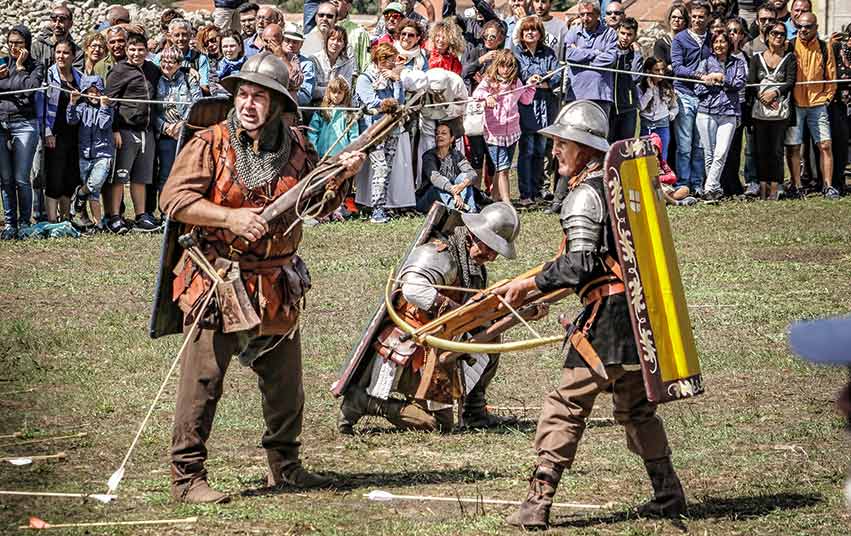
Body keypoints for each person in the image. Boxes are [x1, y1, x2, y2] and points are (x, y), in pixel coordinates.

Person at [160, 51, 365, 503]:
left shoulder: (298, 147)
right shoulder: (211, 142)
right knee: (204, 381)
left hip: (276, 283)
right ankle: (187, 477)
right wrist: (229, 219)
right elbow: (173, 201)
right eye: (243, 95)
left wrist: (342, 181)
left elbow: (316, 207)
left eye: (258, 97)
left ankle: (285, 467)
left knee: (285, 386)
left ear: (276, 105)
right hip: (218, 277)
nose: (248, 104)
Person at [498, 101, 686, 530]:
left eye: (562, 144)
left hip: (608, 324)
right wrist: (550, 293)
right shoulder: (620, 188)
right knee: (638, 412)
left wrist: (528, 285)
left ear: (583, 149)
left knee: (565, 407)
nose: (555, 152)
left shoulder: (586, 193)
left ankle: (535, 505)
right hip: (640, 321)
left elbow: (582, 264)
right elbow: (600, 265)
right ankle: (669, 494)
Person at [337, 202, 520, 433]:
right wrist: (455, 310)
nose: (492, 257)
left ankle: (473, 411)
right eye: (490, 247)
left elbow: (477, 313)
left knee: (490, 339)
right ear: (475, 235)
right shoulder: (438, 253)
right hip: (412, 342)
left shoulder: (473, 266)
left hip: (441, 345)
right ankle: (363, 402)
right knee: (433, 425)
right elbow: (412, 289)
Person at [104, 32, 161, 234]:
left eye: (141, 50)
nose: (137, 53)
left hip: (147, 131)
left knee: (141, 177)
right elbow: (108, 102)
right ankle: (114, 217)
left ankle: (141, 215)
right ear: (127, 50)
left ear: (147, 51)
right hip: (125, 131)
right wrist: (114, 130)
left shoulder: (153, 69)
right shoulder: (119, 71)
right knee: (119, 176)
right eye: (133, 49)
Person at [785, 12, 839, 199]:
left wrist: (827, 98)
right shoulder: (790, 45)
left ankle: (828, 186)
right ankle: (797, 185)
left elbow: (831, 77)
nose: (803, 30)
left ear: (816, 27)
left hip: (818, 104)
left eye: (807, 26)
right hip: (796, 103)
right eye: (799, 26)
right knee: (793, 146)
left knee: (825, 145)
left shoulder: (824, 47)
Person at [472, 49, 536, 203]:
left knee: (500, 169)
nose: (505, 70)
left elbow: (526, 100)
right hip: (494, 133)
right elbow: (476, 93)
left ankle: (495, 199)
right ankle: (507, 203)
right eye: (502, 66)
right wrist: (487, 97)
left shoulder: (516, 82)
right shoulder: (489, 81)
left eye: (509, 66)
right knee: (503, 169)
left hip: (513, 132)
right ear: (497, 66)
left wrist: (531, 86)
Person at [0, 25, 43, 240]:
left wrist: (18, 68)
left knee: (21, 178)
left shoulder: (35, 66)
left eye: (19, 43)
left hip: (25, 124)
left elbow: (29, 90)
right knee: (5, 178)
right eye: (11, 42)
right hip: (1, 123)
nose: (14, 47)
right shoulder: (1, 63)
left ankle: (25, 222)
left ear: (27, 43)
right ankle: (10, 224)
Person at [355, 43, 406, 223]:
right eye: (391, 59)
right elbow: (372, 102)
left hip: (392, 128)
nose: (393, 63)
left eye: (394, 59)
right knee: (381, 167)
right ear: (380, 60)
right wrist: (389, 104)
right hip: (374, 130)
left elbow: (400, 101)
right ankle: (376, 209)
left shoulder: (393, 78)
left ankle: (381, 205)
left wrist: (398, 81)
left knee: (387, 168)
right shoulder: (365, 78)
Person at [694, 30, 746, 202]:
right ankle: (714, 190)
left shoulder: (737, 63)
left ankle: (708, 188)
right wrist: (709, 82)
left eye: (722, 42)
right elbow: (698, 88)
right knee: (709, 154)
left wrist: (721, 78)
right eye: (716, 42)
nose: (719, 45)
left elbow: (739, 83)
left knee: (721, 152)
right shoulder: (705, 63)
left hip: (729, 112)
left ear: (729, 44)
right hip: (706, 111)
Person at [513, 16, 560, 206]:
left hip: (545, 107)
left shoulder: (548, 52)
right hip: (526, 107)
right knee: (527, 150)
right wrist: (533, 82)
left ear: (540, 33)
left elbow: (555, 76)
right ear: (521, 33)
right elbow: (518, 76)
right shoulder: (517, 53)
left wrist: (542, 83)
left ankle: (538, 190)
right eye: (526, 30)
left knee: (541, 150)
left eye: (534, 30)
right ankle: (526, 194)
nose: (530, 33)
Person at [748, 21, 796, 200]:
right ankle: (762, 187)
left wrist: (774, 94)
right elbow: (751, 83)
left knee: (776, 150)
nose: (778, 37)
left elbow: (790, 81)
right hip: (760, 111)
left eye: (782, 34)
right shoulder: (756, 58)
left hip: (780, 112)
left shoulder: (790, 58)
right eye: (774, 33)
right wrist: (763, 98)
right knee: (761, 150)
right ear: (767, 36)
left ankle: (775, 187)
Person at [671, 0, 711, 196]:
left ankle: (697, 183)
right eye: (694, 16)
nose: (697, 20)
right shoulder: (680, 39)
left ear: (708, 18)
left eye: (701, 16)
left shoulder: (712, 39)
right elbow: (677, 67)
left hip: (705, 97)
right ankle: (683, 183)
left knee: (700, 144)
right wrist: (700, 76)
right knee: (685, 144)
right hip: (684, 95)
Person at [41, 40, 82, 223]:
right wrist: (47, 132)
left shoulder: (80, 77)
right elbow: (42, 106)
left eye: (65, 53)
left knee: (70, 177)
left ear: (73, 56)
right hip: (55, 135)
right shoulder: (48, 76)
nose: (61, 56)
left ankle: (65, 219)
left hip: (75, 134)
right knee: (55, 177)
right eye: (58, 52)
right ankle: (51, 220)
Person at [154, 46, 203, 199]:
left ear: (179, 64)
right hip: (165, 135)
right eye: (164, 61)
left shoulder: (189, 80)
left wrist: (183, 124)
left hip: (186, 134)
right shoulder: (155, 79)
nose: (167, 65)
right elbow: (150, 110)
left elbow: (198, 104)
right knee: (165, 173)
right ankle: (165, 212)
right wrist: (165, 127)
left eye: (171, 62)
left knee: (186, 174)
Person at [67, 75, 114, 228]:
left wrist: (105, 107)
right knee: (94, 192)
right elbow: (71, 120)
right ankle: (98, 223)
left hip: (103, 154)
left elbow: (103, 124)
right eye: (90, 91)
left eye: (97, 91)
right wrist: (72, 102)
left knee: (94, 184)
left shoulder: (108, 108)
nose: (93, 95)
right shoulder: (81, 107)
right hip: (85, 154)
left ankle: (80, 193)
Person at [563, 0, 618, 113]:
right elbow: (569, 55)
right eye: (582, 14)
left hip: (600, 95)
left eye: (589, 14)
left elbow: (610, 59)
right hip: (575, 94)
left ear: (598, 14)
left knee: (598, 131)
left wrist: (581, 57)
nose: (585, 18)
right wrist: (595, 53)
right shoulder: (573, 32)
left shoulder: (609, 33)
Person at [416, 122, 481, 212]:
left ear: (451, 139)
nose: (439, 136)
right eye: (437, 134)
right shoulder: (429, 156)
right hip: (428, 200)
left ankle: (471, 211)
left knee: (464, 178)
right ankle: (459, 212)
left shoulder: (457, 155)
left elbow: (472, 173)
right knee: (437, 189)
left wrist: (461, 186)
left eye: (443, 133)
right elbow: (436, 179)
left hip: (454, 196)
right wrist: (454, 192)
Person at [718, 18, 749, 197]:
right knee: (723, 147)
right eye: (729, 31)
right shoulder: (720, 56)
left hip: (742, 104)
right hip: (725, 105)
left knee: (736, 147)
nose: (732, 34)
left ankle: (734, 184)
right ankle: (723, 183)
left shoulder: (744, 56)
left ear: (742, 35)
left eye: (736, 31)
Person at [307, 77, 360, 159]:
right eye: (334, 92)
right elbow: (312, 132)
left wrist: (351, 154)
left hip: (342, 157)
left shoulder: (349, 114)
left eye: (340, 93)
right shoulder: (322, 112)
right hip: (322, 155)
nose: (336, 95)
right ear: (329, 93)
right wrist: (314, 150)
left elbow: (354, 136)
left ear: (345, 94)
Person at [639, 57, 679, 161]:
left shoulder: (667, 87)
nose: (661, 73)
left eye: (662, 70)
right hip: (646, 125)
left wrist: (671, 115)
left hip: (662, 125)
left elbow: (674, 106)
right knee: (645, 156)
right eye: (657, 70)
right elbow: (640, 107)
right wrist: (649, 91)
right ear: (649, 71)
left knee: (662, 155)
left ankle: (662, 177)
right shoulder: (640, 88)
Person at [155, 19, 211, 94]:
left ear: (191, 35)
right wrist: (186, 70)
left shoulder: (200, 59)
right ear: (170, 37)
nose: (181, 38)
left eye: (184, 34)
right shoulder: (160, 57)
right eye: (176, 35)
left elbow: (204, 86)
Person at [610, 17, 642, 142]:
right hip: (610, 106)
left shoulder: (635, 54)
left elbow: (636, 76)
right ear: (617, 32)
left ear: (634, 36)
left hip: (628, 108)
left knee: (625, 145)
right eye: (622, 33)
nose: (625, 37)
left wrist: (638, 53)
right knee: (607, 145)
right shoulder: (610, 50)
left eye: (629, 35)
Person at [31, 5, 84, 70]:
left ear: (70, 24)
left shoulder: (77, 52)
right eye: (54, 20)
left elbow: (76, 76)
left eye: (61, 21)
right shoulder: (37, 47)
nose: (57, 24)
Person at [309, 26, 354, 103]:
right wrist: (335, 91)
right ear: (326, 41)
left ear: (344, 44)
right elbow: (312, 90)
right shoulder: (313, 59)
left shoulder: (347, 63)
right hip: (316, 104)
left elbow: (347, 89)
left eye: (339, 40)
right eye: (332, 39)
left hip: (339, 105)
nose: (335, 43)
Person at [333, 0, 372, 79]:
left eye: (337, 1)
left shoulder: (360, 33)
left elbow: (366, 66)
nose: (332, 2)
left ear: (348, 6)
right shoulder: (319, 30)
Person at [281, 25, 316, 109]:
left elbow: (305, 97)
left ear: (301, 44)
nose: (290, 45)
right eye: (287, 40)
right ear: (281, 40)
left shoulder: (307, 64)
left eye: (295, 42)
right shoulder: (274, 59)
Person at [197, 25, 225, 94]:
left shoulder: (232, 55)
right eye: (206, 43)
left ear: (221, 38)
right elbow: (204, 86)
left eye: (213, 40)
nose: (210, 45)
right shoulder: (205, 59)